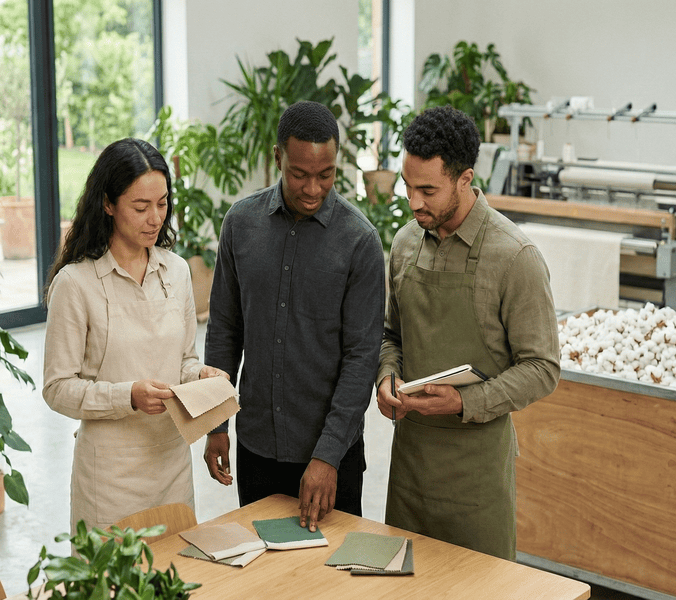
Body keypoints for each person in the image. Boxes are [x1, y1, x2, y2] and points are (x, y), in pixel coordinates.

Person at [375, 106, 561, 559]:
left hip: (477, 475)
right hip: (410, 465)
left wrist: (463, 401)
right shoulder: (403, 245)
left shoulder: (515, 256)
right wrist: (385, 376)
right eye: (407, 186)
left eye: (428, 190)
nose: (413, 202)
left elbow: (543, 368)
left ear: (465, 180)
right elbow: (389, 334)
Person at [204, 101, 385, 531]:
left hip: (330, 455)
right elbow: (225, 331)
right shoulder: (240, 224)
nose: (312, 188)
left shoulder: (360, 242)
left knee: (331, 585)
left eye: (326, 175)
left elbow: (362, 359)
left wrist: (327, 456)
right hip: (257, 450)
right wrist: (216, 423)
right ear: (277, 158)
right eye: (299, 174)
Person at [43, 138, 228, 533]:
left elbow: (183, 360)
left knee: (175, 586)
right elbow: (57, 388)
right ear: (108, 204)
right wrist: (128, 396)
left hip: (172, 466)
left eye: (162, 204)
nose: (155, 218)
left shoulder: (177, 271)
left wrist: (201, 377)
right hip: (109, 479)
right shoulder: (75, 284)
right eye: (141, 207)